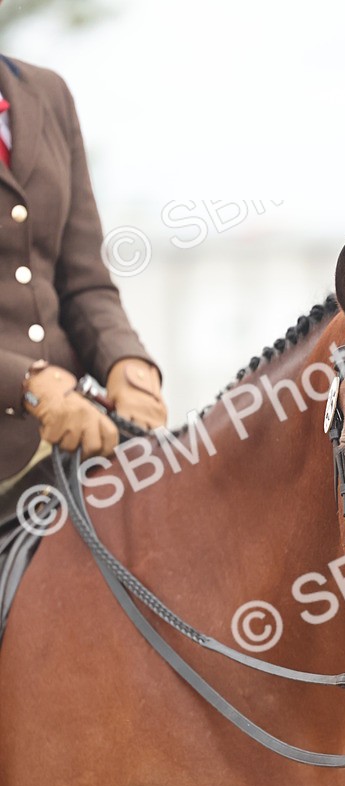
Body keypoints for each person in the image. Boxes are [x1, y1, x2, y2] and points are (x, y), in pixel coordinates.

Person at [0, 50, 166, 510]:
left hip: (73, 439)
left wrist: (126, 363)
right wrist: (25, 383)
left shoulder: (46, 93)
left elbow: (84, 283)